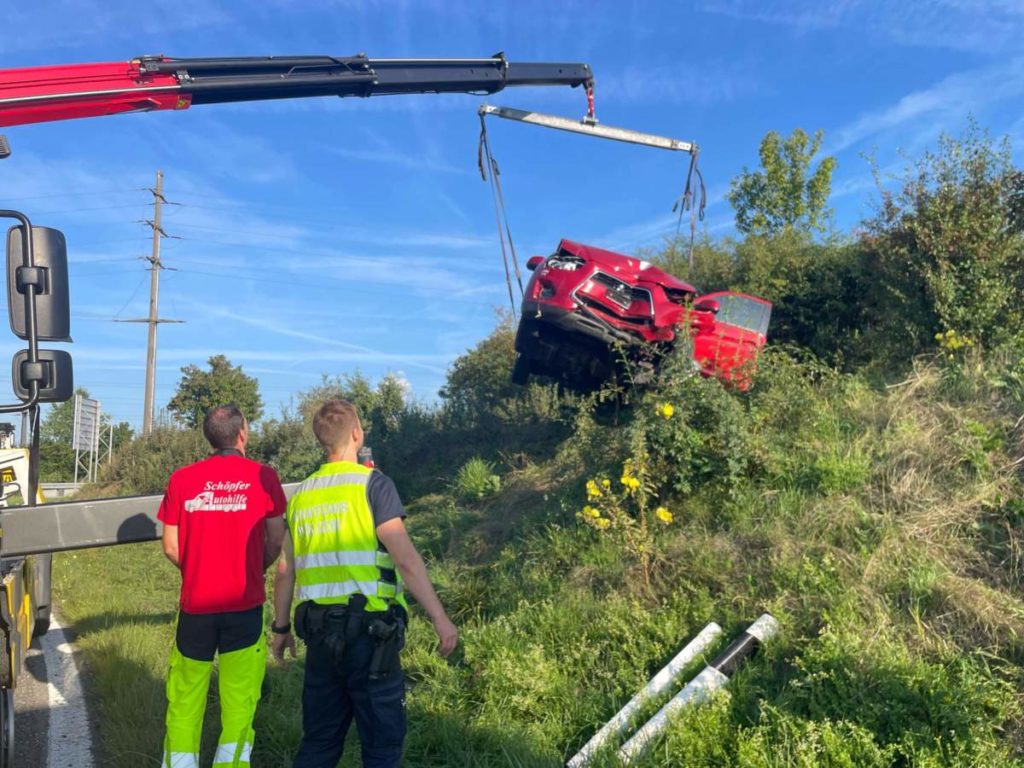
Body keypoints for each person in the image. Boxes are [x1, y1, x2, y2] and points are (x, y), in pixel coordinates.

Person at [271, 399, 458, 768]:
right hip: (371, 639)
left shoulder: (302, 495)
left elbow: (284, 570)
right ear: (357, 434)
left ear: (321, 441)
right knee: (382, 747)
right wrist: (440, 617)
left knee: (320, 742)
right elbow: (405, 559)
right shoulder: (374, 485)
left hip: (320, 636)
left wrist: (280, 628)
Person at [158, 404, 287, 768]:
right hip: (243, 606)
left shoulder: (182, 479)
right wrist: (252, 569)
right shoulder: (265, 476)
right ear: (242, 433)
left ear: (209, 437)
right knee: (239, 700)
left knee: (185, 697)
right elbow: (276, 539)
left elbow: (170, 545)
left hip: (196, 607)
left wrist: (199, 568)